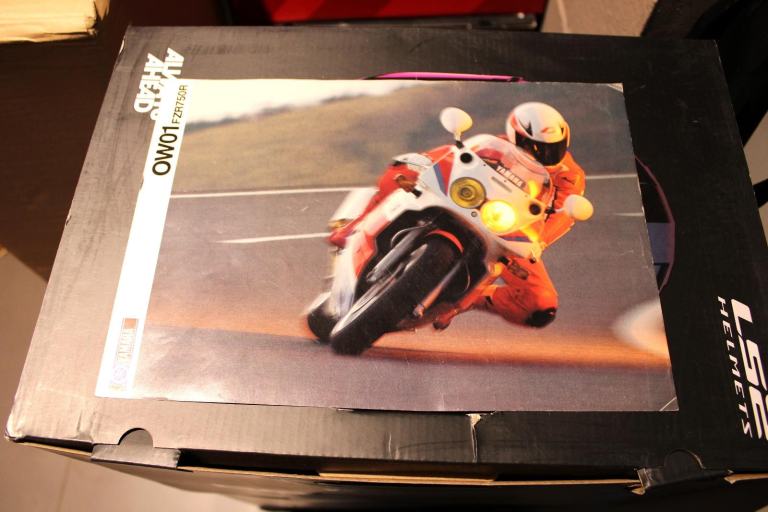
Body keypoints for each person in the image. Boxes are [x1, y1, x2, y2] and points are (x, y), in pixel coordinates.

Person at [329, 102, 586, 328]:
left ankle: (470, 298)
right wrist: (420, 164)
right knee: (401, 170)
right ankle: (355, 227)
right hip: (466, 202)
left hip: (510, 229)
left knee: (541, 304)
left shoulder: (570, 176)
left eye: (553, 147)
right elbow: (452, 157)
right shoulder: (496, 147)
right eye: (534, 147)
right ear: (515, 136)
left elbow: (564, 214)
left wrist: (537, 243)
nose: (544, 155)